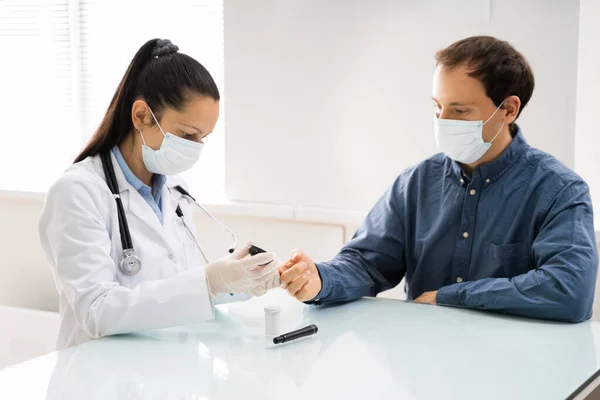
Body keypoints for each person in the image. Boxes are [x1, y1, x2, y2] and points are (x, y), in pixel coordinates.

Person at [279, 36, 598, 322]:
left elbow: (569, 290)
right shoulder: (416, 182)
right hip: (424, 369)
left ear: (509, 109)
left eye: (460, 111)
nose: (443, 122)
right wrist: (320, 280)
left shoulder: (558, 190)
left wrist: (450, 297)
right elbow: (367, 263)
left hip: (514, 374)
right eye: (437, 107)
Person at [38, 38, 280, 349]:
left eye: (203, 137)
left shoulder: (176, 191)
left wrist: (237, 279)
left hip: (167, 369)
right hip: (101, 380)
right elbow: (97, 311)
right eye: (187, 134)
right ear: (140, 116)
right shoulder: (77, 193)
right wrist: (209, 281)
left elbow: (175, 291)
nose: (195, 148)